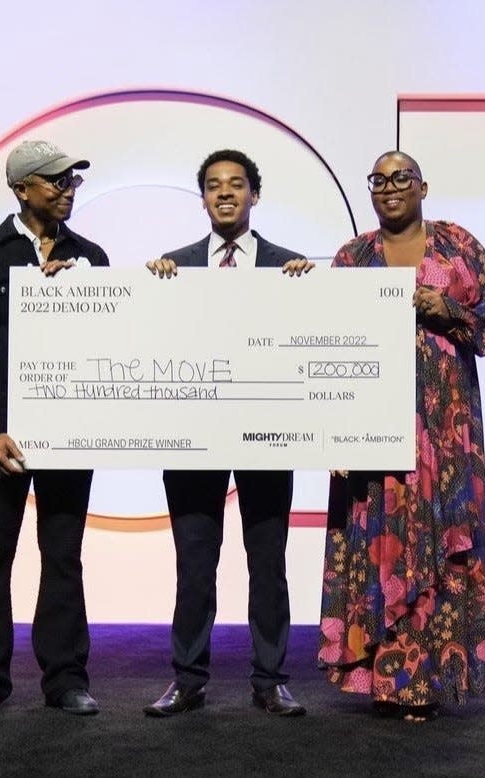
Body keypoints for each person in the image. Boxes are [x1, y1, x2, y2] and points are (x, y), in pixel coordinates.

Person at [317, 150, 485, 722]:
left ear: (423, 186)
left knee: (438, 546)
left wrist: (446, 306)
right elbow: (327, 346)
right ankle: (383, 678)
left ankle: (426, 681)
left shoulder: (457, 246)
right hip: (371, 431)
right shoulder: (353, 257)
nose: (389, 187)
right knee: (377, 541)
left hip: (445, 433)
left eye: (400, 178)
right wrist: (332, 432)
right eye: (377, 180)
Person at [143, 149, 313, 718]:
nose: (224, 193)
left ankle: (271, 680)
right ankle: (187, 679)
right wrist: (149, 291)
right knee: (194, 562)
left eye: (236, 184)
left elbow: (312, 347)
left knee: (268, 562)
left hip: (267, 433)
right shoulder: (172, 266)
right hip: (193, 436)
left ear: (254, 195)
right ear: (203, 198)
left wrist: (313, 294)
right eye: (213, 185)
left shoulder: (292, 268)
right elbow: (148, 344)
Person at [0, 140, 109, 719]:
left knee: (63, 554)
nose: (67, 190)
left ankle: (66, 677)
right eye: (56, 181)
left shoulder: (91, 256)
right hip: (2, 436)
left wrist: (70, 297)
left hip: (69, 435)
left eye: (73, 182)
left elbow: (107, 346)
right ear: (22, 188)